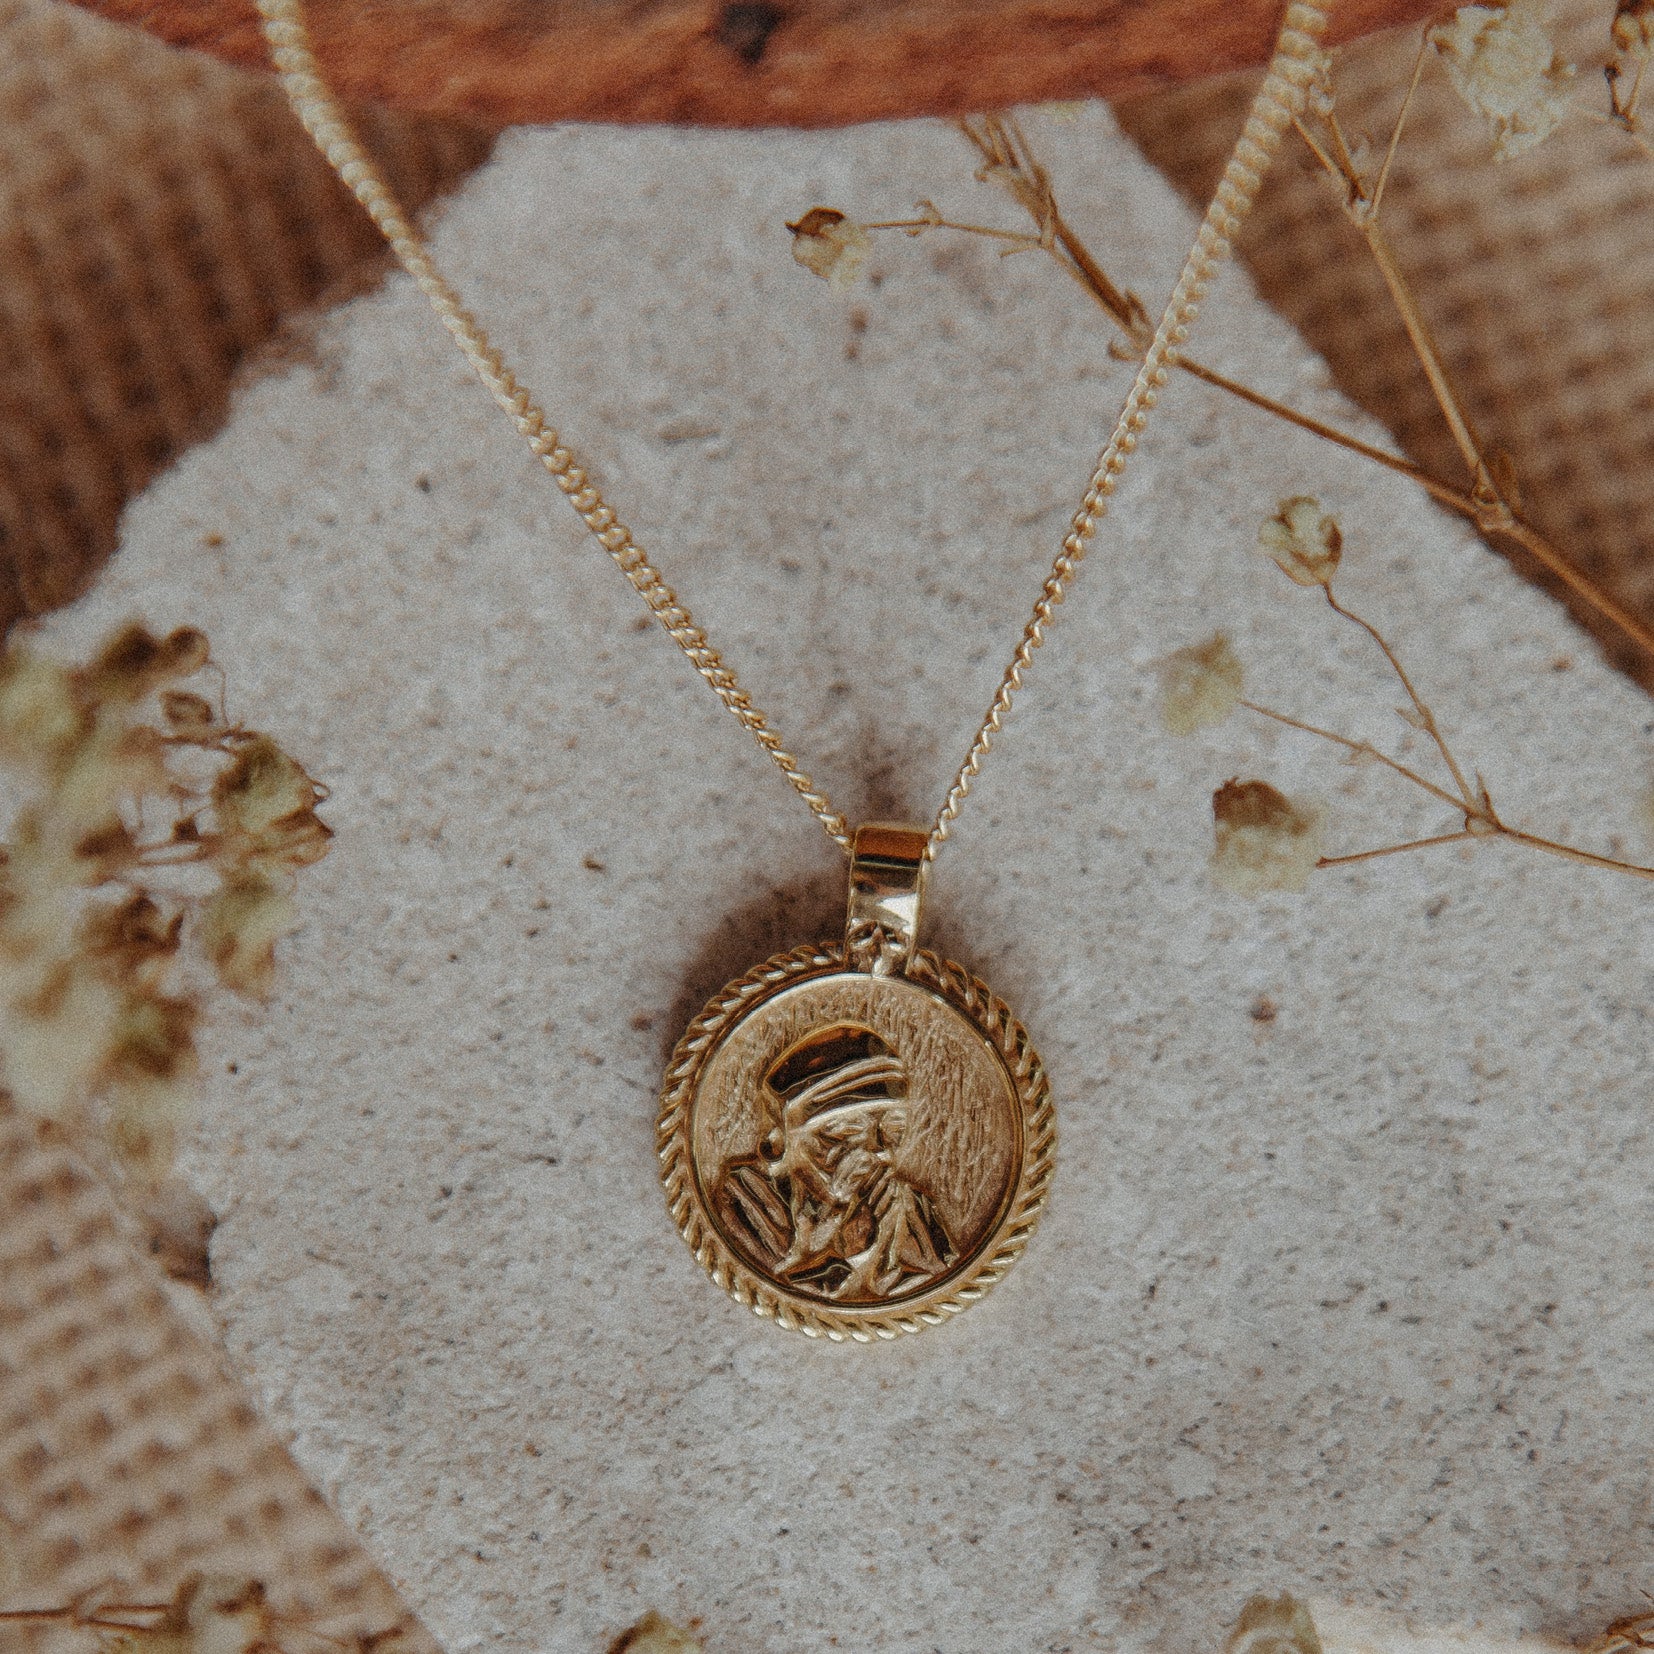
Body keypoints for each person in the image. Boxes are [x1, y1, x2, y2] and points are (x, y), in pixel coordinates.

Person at [713, 1022, 955, 1302]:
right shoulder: (748, 1200)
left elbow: (937, 1276)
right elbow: (781, 1287)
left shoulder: (914, 1208)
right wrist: (827, 1243)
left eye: (894, 1131)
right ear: (781, 1140)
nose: (881, 1152)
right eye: (848, 1131)